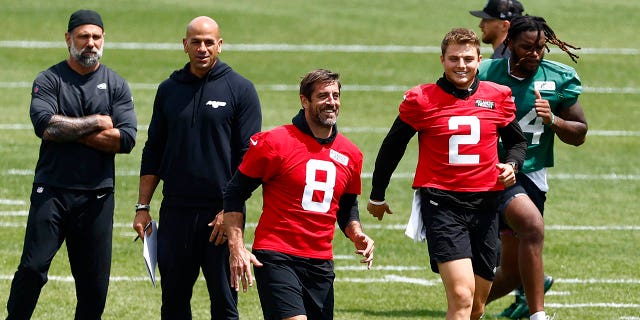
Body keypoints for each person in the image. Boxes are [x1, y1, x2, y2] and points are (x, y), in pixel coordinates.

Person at [367, 28, 527, 320]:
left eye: (468, 58)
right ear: (442, 60)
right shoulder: (421, 99)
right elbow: (392, 147)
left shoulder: (498, 96)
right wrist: (377, 195)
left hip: (487, 205)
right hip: (442, 204)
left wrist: (512, 166)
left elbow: (516, 142)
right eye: (454, 58)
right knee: (461, 296)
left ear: (480, 59)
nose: (461, 65)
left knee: (477, 305)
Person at [6, 9, 137, 319]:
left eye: (96, 37)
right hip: (51, 191)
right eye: (83, 37)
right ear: (68, 39)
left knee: (93, 286)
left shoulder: (116, 84)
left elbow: (125, 140)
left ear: (103, 40)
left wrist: (69, 130)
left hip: (97, 196)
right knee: (33, 268)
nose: (90, 43)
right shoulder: (49, 79)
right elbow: (46, 127)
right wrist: (96, 122)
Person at [132, 16, 262, 319]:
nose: (202, 48)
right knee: (173, 303)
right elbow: (153, 150)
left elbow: (250, 159)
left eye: (208, 42)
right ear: (184, 45)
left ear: (220, 44)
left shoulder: (240, 89)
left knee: (225, 304)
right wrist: (142, 206)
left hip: (220, 216)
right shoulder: (168, 89)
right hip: (175, 212)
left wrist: (228, 211)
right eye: (195, 42)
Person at [222, 69, 375, 320]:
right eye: (323, 96)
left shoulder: (351, 154)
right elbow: (234, 193)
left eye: (335, 95)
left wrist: (356, 233)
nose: (331, 102)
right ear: (305, 101)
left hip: (320, 262)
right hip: (277, 256)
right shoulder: (274, 142)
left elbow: (347, 207)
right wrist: (236, 246)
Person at [477, 15, 588, 320]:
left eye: (540, 47)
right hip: (492, 172)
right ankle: (539, 316)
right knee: (533, 227)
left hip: (532, 174)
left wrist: (554, 120)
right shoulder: (485, 74)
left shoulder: (558, 77)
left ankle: (467, 308)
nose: (535, 54)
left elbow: (579, 133)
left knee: (513, 272)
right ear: (509, 43)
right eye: (527, 47)